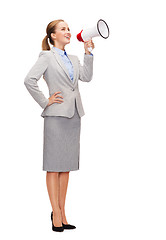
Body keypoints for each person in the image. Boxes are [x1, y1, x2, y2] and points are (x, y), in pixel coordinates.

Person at [24, 19, 94, 232]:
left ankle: (62, 213)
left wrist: (88, 53)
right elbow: (29, 80)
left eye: (68, 29)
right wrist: (45, 101)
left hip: (73, 115)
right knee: (54, 166)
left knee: (66, 167)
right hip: (55, 116)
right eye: (63, 29)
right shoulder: (46, 56)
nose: (68, 32)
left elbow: (87, 77)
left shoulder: (72, 58)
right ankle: (55, 212)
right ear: (53, 35)